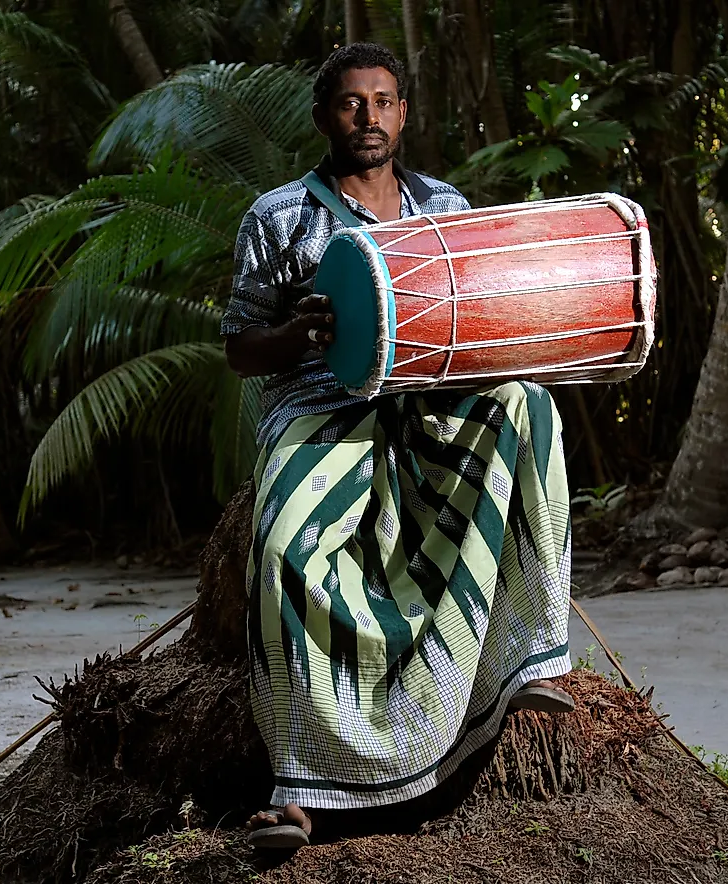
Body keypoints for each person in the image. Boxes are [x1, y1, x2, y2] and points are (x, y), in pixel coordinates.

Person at [221, 43, 576, 850]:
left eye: (383, 101)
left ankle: (532, 661)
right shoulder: (278, 215)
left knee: (529, 405)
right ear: (325, 118)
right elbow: (239, 346)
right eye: (352, 103)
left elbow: (478, 320)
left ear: (404, 113)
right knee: (284, 544)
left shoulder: (444, 207)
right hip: (319, 407)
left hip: (428, 404)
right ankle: (300, 788)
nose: (368, 117)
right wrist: (294, 335)